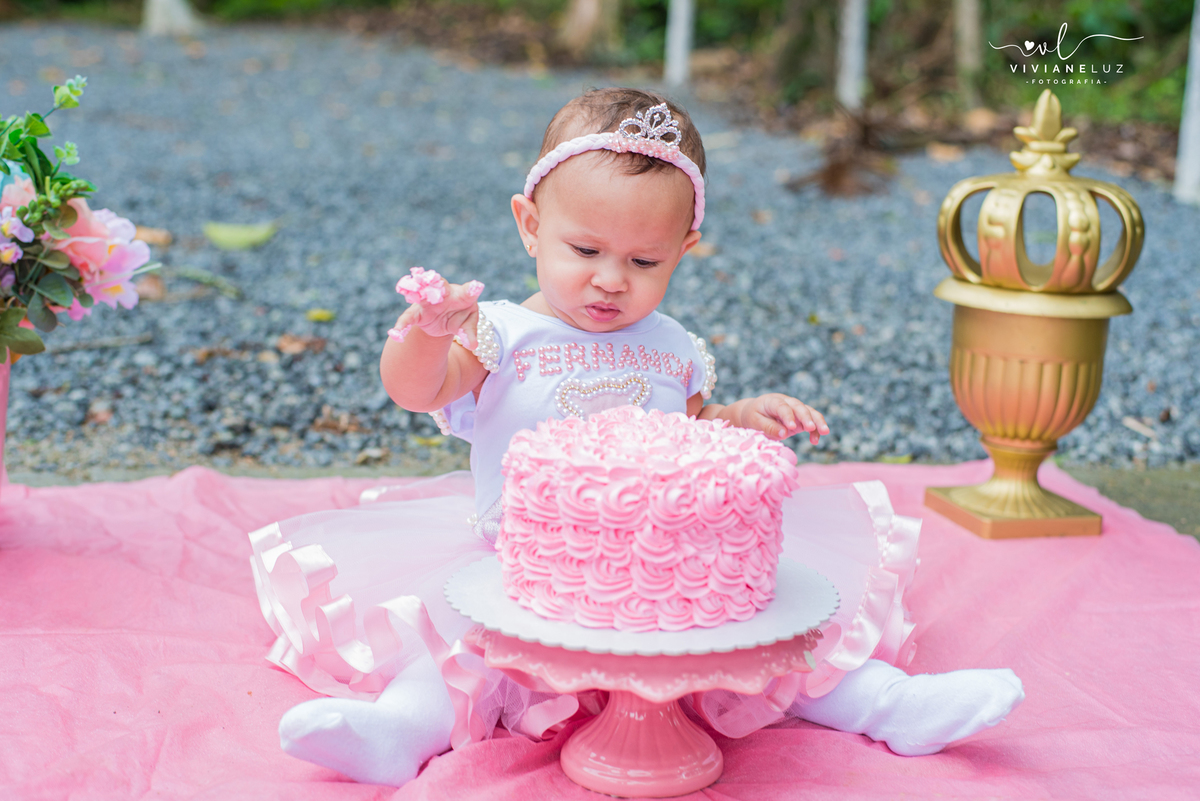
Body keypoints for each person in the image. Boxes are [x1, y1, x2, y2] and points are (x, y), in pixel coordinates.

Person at [249, 87, 1024, 788]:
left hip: (663, 573)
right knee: (458, 652)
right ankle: (397, 731)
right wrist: (426, 331)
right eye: (584, 250)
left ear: (683, 250)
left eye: (643, 259)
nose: (610, 278)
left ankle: (890, 704)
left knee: (774, 640)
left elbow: (682, 442)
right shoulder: (501, 334)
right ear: (530, 226)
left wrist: (736, 417)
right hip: (517, 571)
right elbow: (414, 388)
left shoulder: (674, 345)